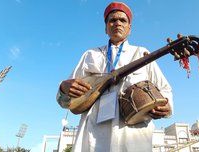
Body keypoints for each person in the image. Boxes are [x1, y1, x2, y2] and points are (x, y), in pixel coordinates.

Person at [56, 2, 173, 152]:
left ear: (129, 28)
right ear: (106, 28)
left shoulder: (142, 54)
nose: (117, 23)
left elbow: (165, 89)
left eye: (123, 20)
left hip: (133, 134)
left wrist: (167, 107)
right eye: (112, 20)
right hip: (93, 133)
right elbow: (65, 101)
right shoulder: (90, 55)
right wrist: (63, 88)